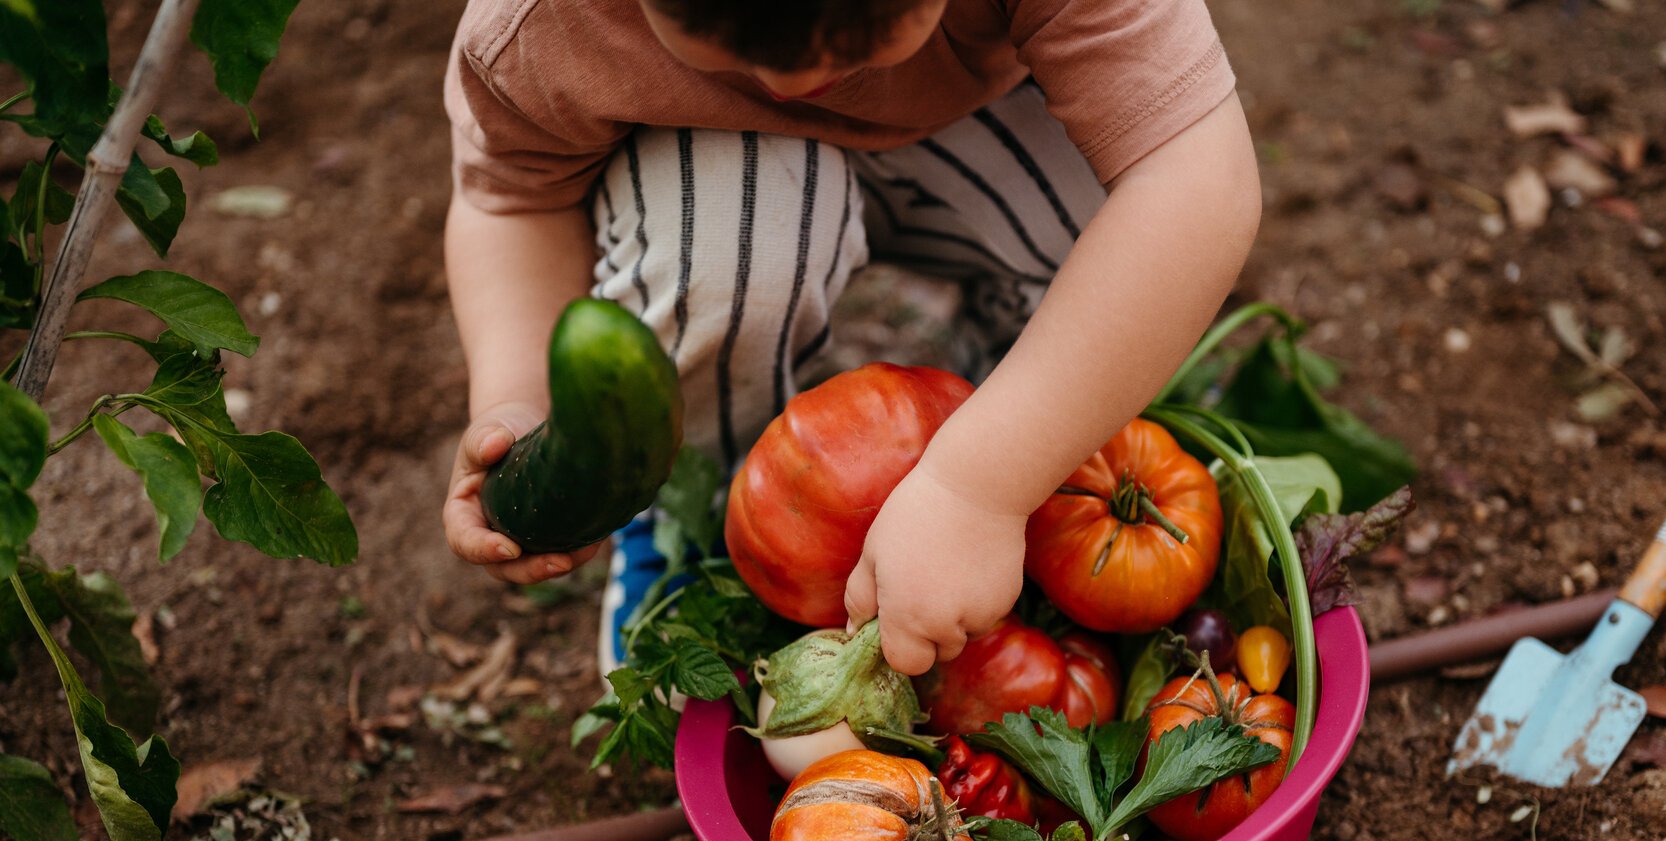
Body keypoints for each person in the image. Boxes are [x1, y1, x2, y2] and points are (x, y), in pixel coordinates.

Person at [440, 0, 1261, 679]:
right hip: (719, 166)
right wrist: (522, 402)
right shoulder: (539, 25)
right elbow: (514, 201)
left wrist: (981, 485)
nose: (792, 82)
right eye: (732, 45)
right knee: (716, 276)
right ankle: (701, 497)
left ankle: (1017, 415)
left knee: (1124, 226)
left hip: (981, 118)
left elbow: (1194, 180)